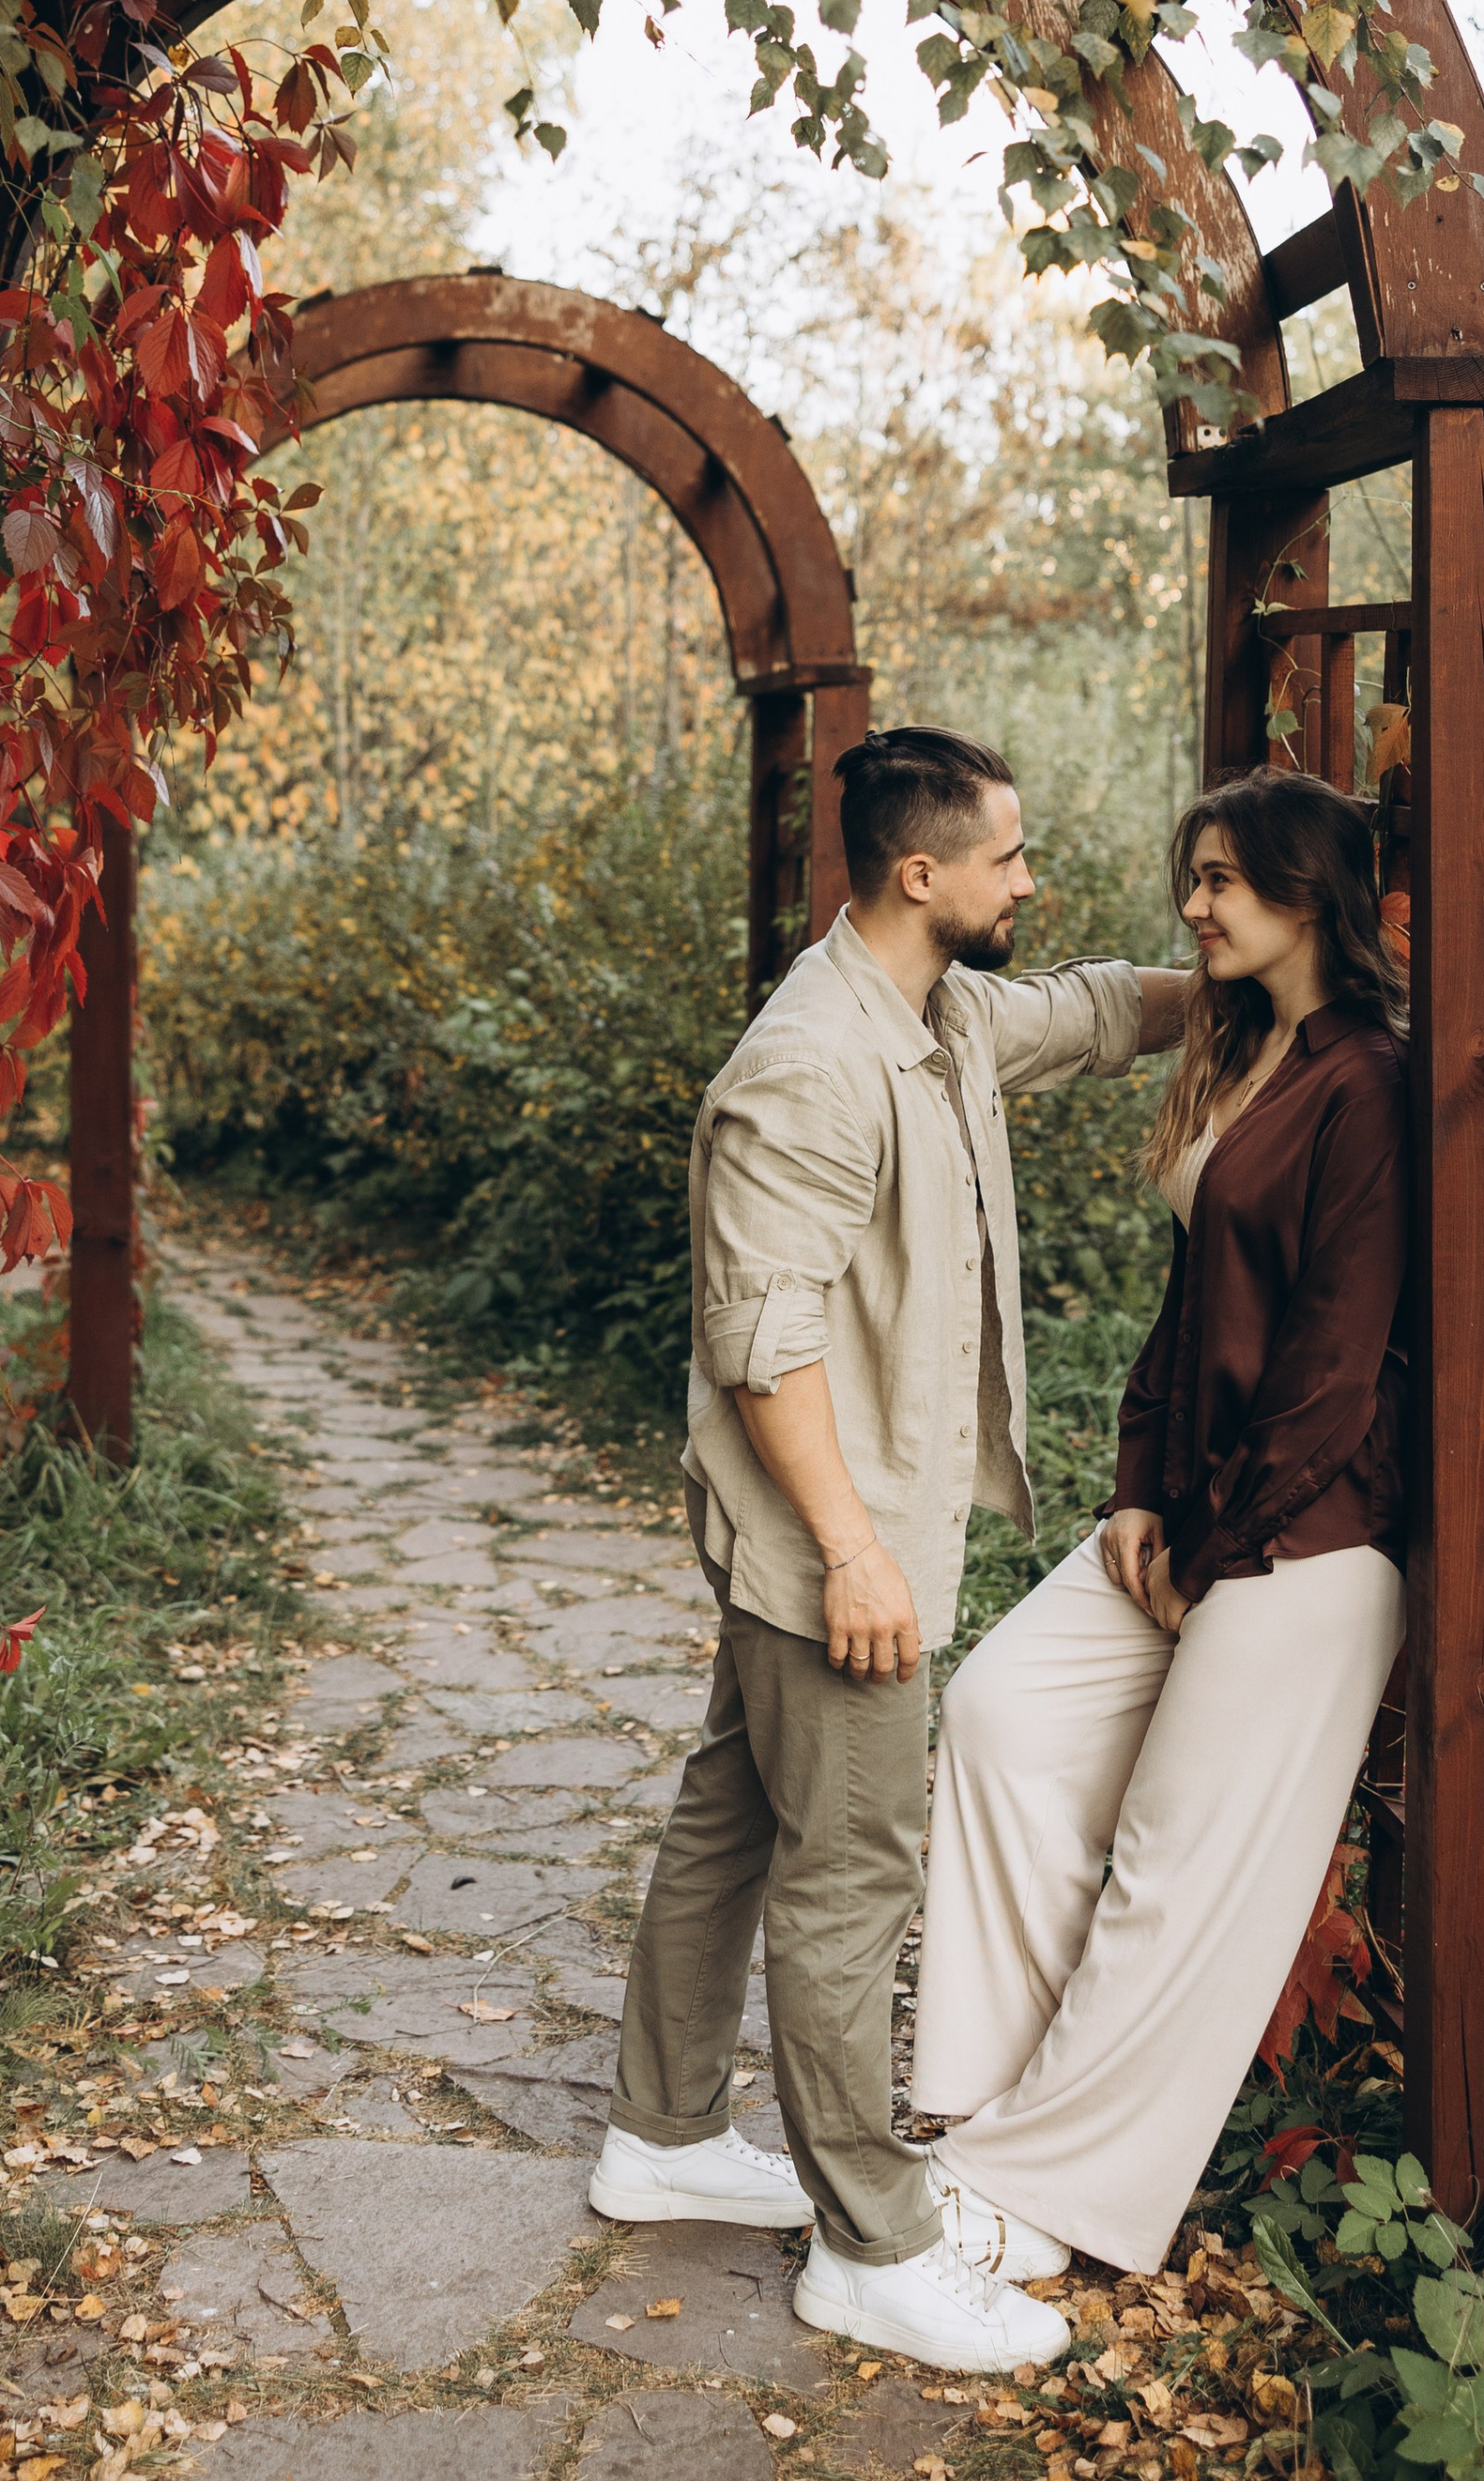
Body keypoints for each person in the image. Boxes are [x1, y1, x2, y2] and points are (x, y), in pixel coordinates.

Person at [589, 725, 1193, 2370]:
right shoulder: (811, 1064)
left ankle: (658, 2130)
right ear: (920, 873)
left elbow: (1092, 1009)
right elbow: (761, 1342)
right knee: (853, 1871)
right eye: (1007, 856)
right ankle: (870, 2243)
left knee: (733, 1810)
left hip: (851, 1532)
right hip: (831, 1547)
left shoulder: (936, 1011)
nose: (1029, 879)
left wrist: (1245, 956)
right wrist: (856, 1557)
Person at [908, 768, 1411, 2280]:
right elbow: (1193, 1309)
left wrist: (1212, 1549)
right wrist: (1140, 1494)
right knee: (998, 1718)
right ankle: (989, 2113)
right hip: (1190, 1513)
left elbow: (1332, 1365)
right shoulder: (1245, 1048)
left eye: (1218, 882)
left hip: (1312, 1539)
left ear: (1304, 894)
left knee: (1176, 1864)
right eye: (1190, 878)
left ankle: (1053, 2202)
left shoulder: (1370, 1084)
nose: (1190, 907)